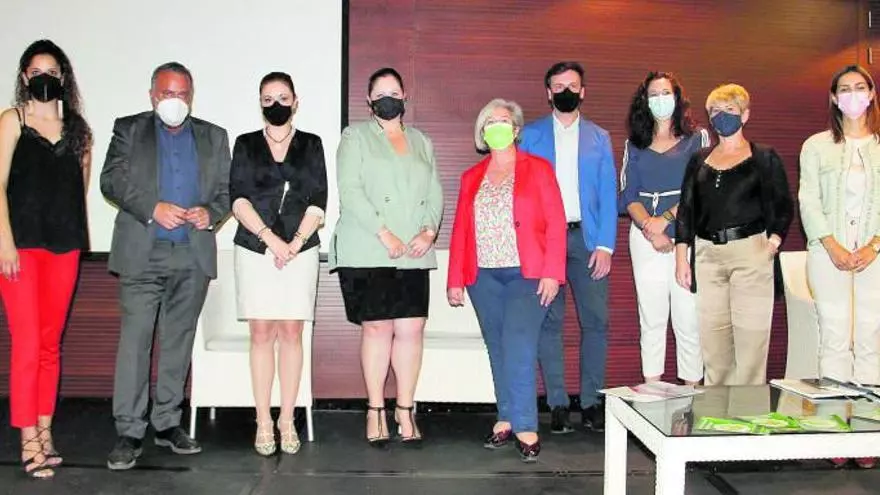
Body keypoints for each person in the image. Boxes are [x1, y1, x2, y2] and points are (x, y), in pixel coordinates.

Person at [101, 62, 231, 470]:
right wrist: (152, 208)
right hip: (142, 253)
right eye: (167, 93)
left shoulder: (214, 136)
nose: (174, 101)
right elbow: (111, 180)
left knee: (178, 341)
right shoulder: (129, 129)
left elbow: (227, 192)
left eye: (182, 94)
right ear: (152, 95)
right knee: (136, 342)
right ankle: (129, 430)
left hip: (191, 255)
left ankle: (167, 423)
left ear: (191, 96)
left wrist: (211, 214)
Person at [329, 67, 443, 447]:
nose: (388, 99)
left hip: (414, 249)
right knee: (377, 328)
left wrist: (428, 231)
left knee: (411, 329)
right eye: (380, 94)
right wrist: (384, 232)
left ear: (405, 96)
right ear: (369, 100)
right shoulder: (355, 137)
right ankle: (376, 408)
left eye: (394, 92)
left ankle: (405, 408)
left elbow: (435, 191)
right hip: (368, 247)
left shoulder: (422, 141)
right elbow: (350, 189)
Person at [447, 98, 566, 462]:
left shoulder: (539, 169)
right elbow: (460, 230)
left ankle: (526, 425)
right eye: (489, 122)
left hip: (527, 274)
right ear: (482, 132)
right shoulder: (471, 177)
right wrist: (455, 279)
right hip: (483, 277)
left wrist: (553, 272)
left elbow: (556, 223)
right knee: (497, 346)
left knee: (519, 343)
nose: (496, 127)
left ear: (515, 130)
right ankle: (506, 416)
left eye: (503, 121)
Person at [0, 39, 91, 479]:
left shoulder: (78, 130)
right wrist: (4, 242)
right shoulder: (12, 121)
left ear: (63, 77)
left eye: (52, 72)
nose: (44, 79)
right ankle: (27, 440)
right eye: (36, 72)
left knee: (51, 343)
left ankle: (45, 429)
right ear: (24, 77)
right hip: (20, 247)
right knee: (27, 343)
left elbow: (79, 188)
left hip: (64, 245)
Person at [229, 72, 327, 456]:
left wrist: (295, 243)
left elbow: (318, 200)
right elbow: (238, 199)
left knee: (291, 332)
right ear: (260, 103)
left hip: (301, 250)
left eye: (283, 97)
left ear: (296, 101)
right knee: (260, 333)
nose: (276, 105)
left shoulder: (312, 144)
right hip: (255, 250)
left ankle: (286, 418)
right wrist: (271, 240)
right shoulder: (246, 144)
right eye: (268, 99)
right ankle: (263, 420)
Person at [519, 61, 617, 434]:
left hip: (587, 240)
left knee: (596, 322)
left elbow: (608, 194)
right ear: (548, 93)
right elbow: (522, 194)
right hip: (546, 242)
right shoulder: (530, 136)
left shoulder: (599, 137)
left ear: (583, 91)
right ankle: (557, 403)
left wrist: (605, 245)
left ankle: (591, 403)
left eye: (572, 85)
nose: (565, 91)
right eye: (558, 86)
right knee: (549, 322)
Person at [674, 83, 793, 386]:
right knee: (714, 346)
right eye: (715, 110)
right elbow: (686, 210)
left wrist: (772, 244)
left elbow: (783, 204)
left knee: (751, 345)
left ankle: (748, 410)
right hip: (707, 255)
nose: (722, 116)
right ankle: (716, 410)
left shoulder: (764, 157)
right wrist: (681, 257)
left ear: (745, 114)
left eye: (730, 110)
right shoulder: (699, 159)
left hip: (751, 252)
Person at [799, 65, 880, 470]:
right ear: (833, 98)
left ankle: (867, 430)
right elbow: (808, 199)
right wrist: (830, 244)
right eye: (844, 89)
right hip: (826, 251)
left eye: (859, 87)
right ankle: (833, 427)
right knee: (833, 336)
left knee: (869, 337)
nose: (852, 95)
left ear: (872, 94)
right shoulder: (816, 146)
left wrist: (874, 246)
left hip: (875, 254)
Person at [619, 72, 708, 385]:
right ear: (644, 101)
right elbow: (628, 195)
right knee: (651, 318)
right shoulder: (634, 144)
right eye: (653, 94)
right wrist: (649, 226)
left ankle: (693, 390)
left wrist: (667, 222)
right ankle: (652, 390)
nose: (660, 100)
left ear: (677, 97)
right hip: (645, 238)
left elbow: (702, 189)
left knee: (688, 318)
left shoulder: (698, 139)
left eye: (665, 93)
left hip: (686, 236)